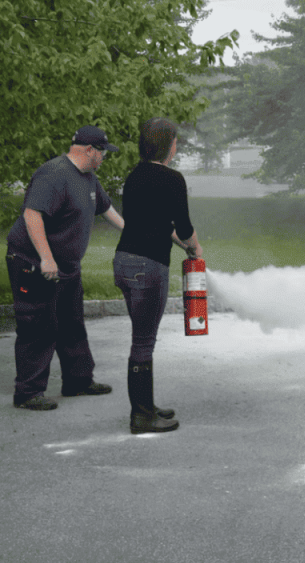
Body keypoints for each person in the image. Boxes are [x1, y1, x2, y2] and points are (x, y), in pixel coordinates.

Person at [6, 125, 125, 410]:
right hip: (34, 264)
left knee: (72, 324)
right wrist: (46, 258)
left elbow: (107, 210)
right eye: (103, 153)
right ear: (89, 150)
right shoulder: (54, 174)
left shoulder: (88, 178)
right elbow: (32, 214)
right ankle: (28, 393)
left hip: (68, 266)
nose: (104, 158)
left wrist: (133, 234)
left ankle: (78, 381)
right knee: (39, 326)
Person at [114, 117, 202, 434]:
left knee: (142, 338)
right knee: (143, 342)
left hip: (123, 262)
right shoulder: (172, 179)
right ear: (169, 145)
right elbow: (184, 226)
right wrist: (195, 248)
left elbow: (154, 224)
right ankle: (141, 416)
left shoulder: (134, 176)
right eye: (175, 141)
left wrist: (181, 245)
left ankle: (147, 406)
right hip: (148, 267)